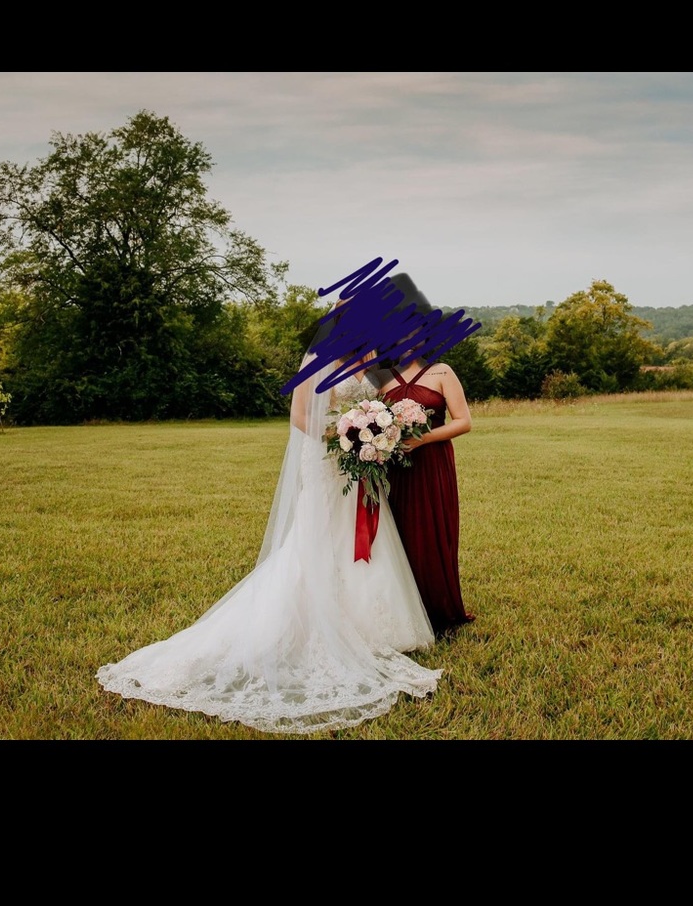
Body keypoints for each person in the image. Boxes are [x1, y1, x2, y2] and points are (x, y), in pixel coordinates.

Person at [96, 302, 441, 735]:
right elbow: (299, 415)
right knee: (317, 538)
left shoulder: (369, 359)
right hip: (328, 460)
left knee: (362, 536)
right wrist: (345, 437)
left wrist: (380, 430)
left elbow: (378, 403)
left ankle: (376, 626)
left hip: (359, 465)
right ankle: (312, 622)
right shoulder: (319, 359)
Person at [375, 274, 476, 635]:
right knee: (400, 535)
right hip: (397, 466)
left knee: (434, 532)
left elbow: (464, 422)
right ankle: (405, 611)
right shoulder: (382, 377)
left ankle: (442, 612)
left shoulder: (442, 372)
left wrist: (423, 439)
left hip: (432, 463)